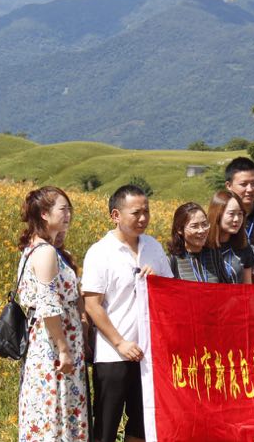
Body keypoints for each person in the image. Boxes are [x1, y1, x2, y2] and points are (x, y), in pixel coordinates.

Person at [81, 185, 173, 442]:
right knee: (106, 424)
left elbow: (171, 291)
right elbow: (93, 305)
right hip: (113, 353)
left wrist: (157, 283)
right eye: (136, 213)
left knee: (142, 423)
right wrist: (120, 342)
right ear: (116, 215)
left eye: (146, 212)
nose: (143, 218)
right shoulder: (100, 252)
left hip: (148, 353)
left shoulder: (153, 246)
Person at [16, 186, 89, 441]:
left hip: (51, 342)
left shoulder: (43, 248)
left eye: (69, 209)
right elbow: (48, 305)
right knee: (54, 412)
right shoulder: (45, 252)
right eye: (63, 209)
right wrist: (63, 349)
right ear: (45, 214)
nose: (68, 214)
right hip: (52, 346)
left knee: (54, 412)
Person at [204, 189, 254, 284]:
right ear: (217, 215)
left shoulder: (243, 246)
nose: (237, 219)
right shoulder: (202, 246)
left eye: (240, 214)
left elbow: (248, 286)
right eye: (231, 214)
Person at [166, 202, 221, 283]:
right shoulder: (172, 261)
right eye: (194, 226)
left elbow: (226, 287)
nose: (201, 230)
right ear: (179, 229)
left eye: (204, 224)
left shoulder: (215, 256)